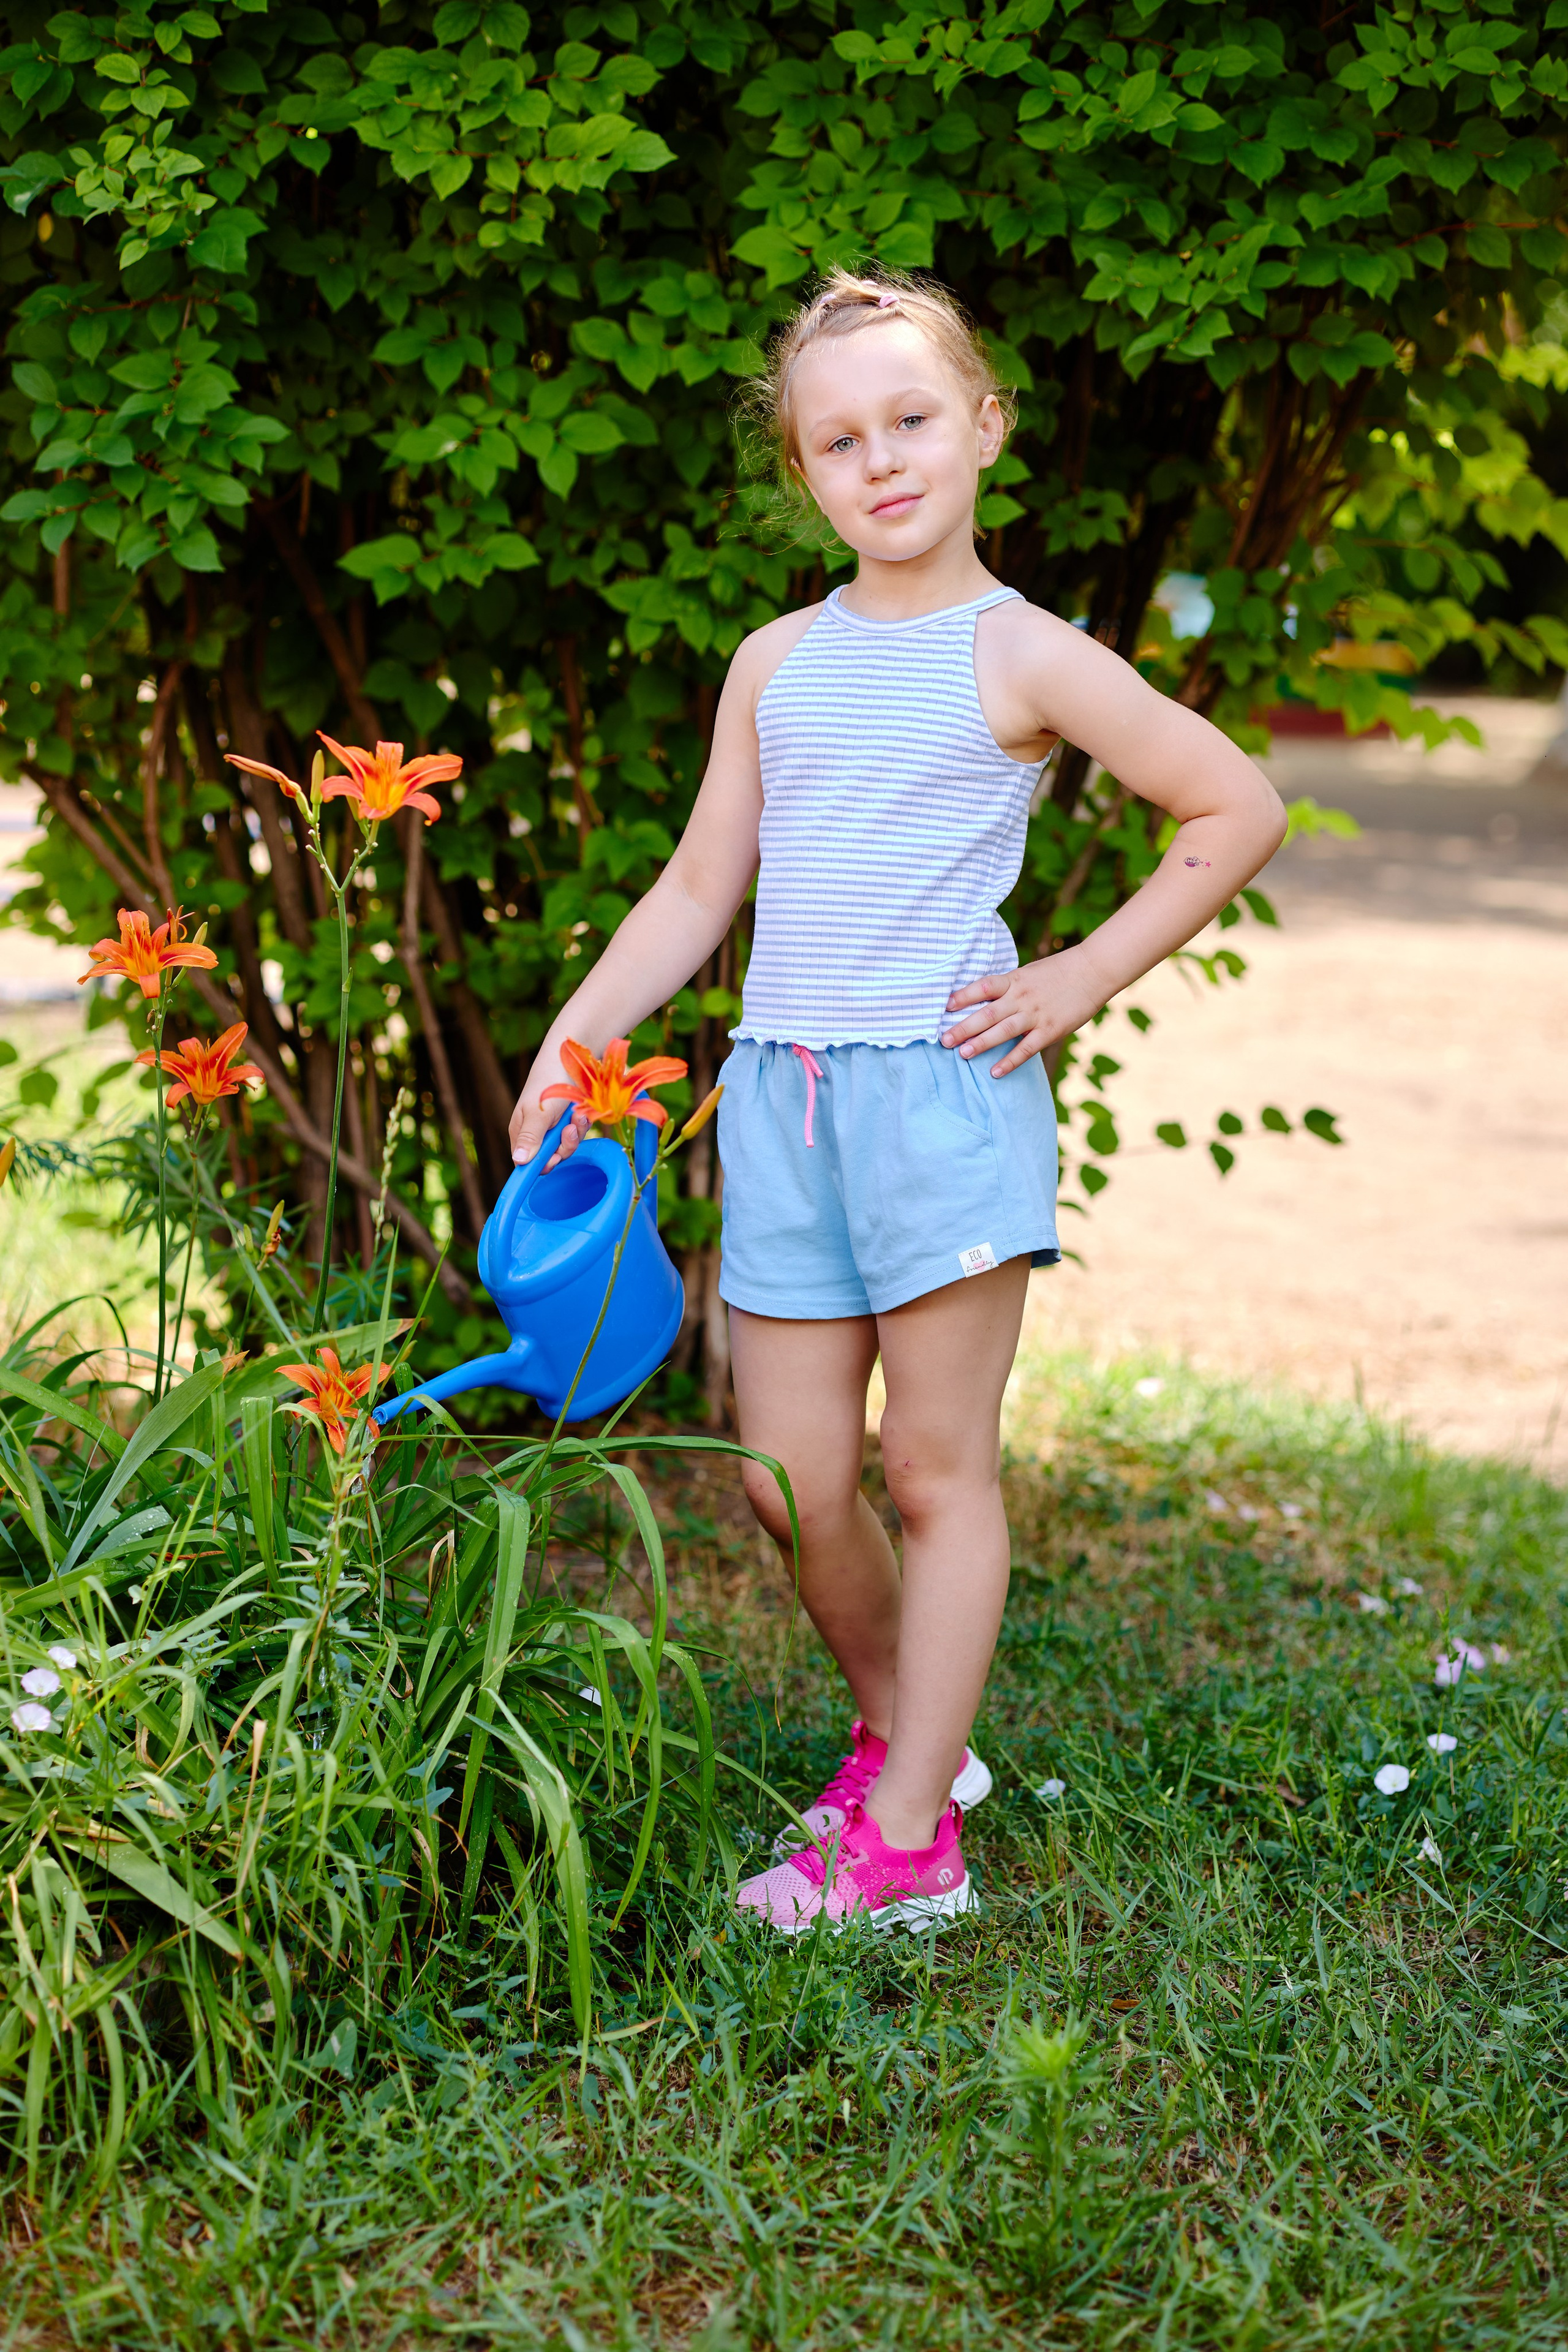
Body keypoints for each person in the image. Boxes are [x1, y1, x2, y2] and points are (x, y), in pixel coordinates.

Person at [508, 268, 1286, 1936]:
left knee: (936, 1473)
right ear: (804, 475)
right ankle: (904, 1736)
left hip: (941, 1102)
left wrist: (1076, 975)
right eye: (839, 440)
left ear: (985, 426)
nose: (881, 461)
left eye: (912, 420)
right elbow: (700, 884)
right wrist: (580, 1046)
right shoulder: (774, 664)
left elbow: (1233, 806)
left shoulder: (1027, 655)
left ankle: (912, 1845)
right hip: (785, 1106)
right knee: (787, 1481)